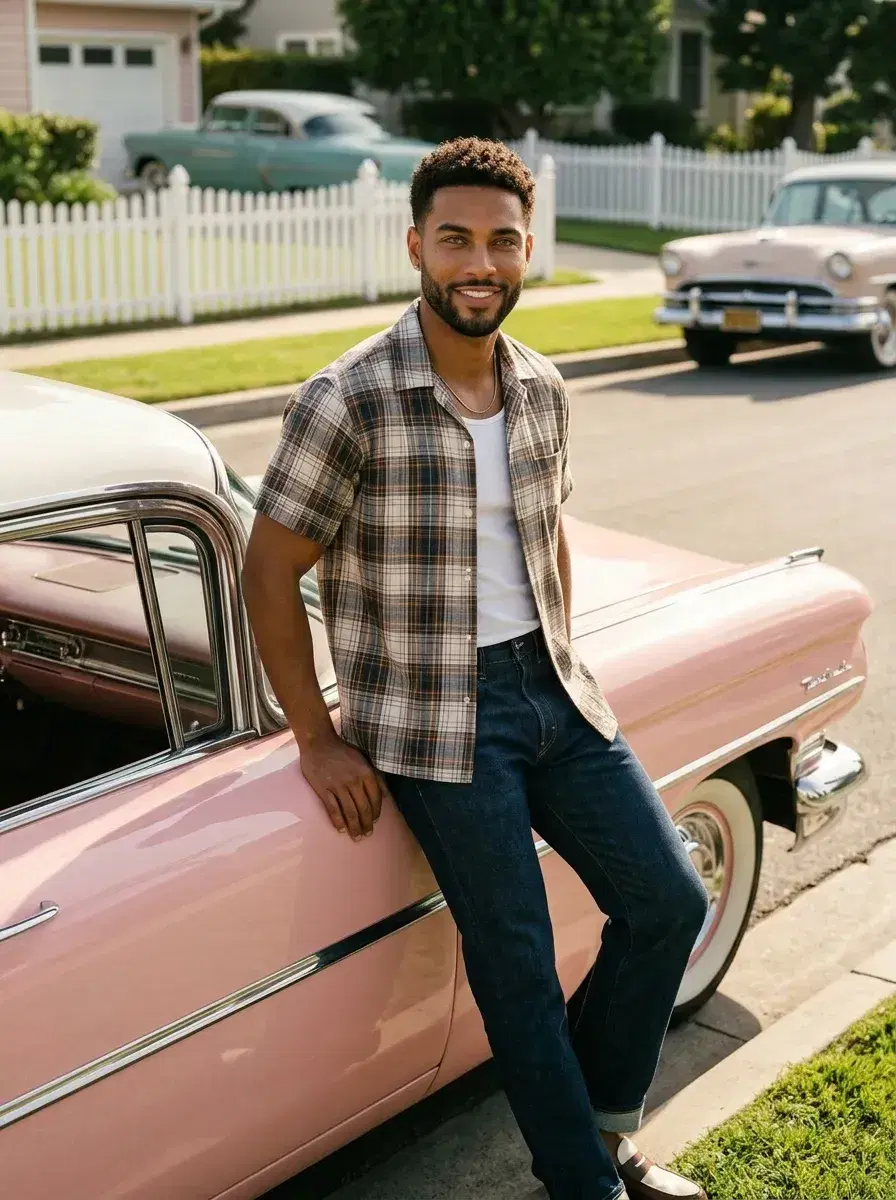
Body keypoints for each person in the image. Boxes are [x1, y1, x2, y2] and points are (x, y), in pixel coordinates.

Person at [242, 137, 710, 1200]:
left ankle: (598, 1127)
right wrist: (316, 736)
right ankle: (582, 1181)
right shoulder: (346, 399)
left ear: (527, 250)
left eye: (501, 240)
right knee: (516, 961)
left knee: (668, 902)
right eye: (454, 238)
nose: (478, 262)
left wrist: (560, 655)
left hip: (552, 691)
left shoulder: (541, 388)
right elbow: (270, 573)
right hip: (428, 721)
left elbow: (544, 536)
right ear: (415, 245)